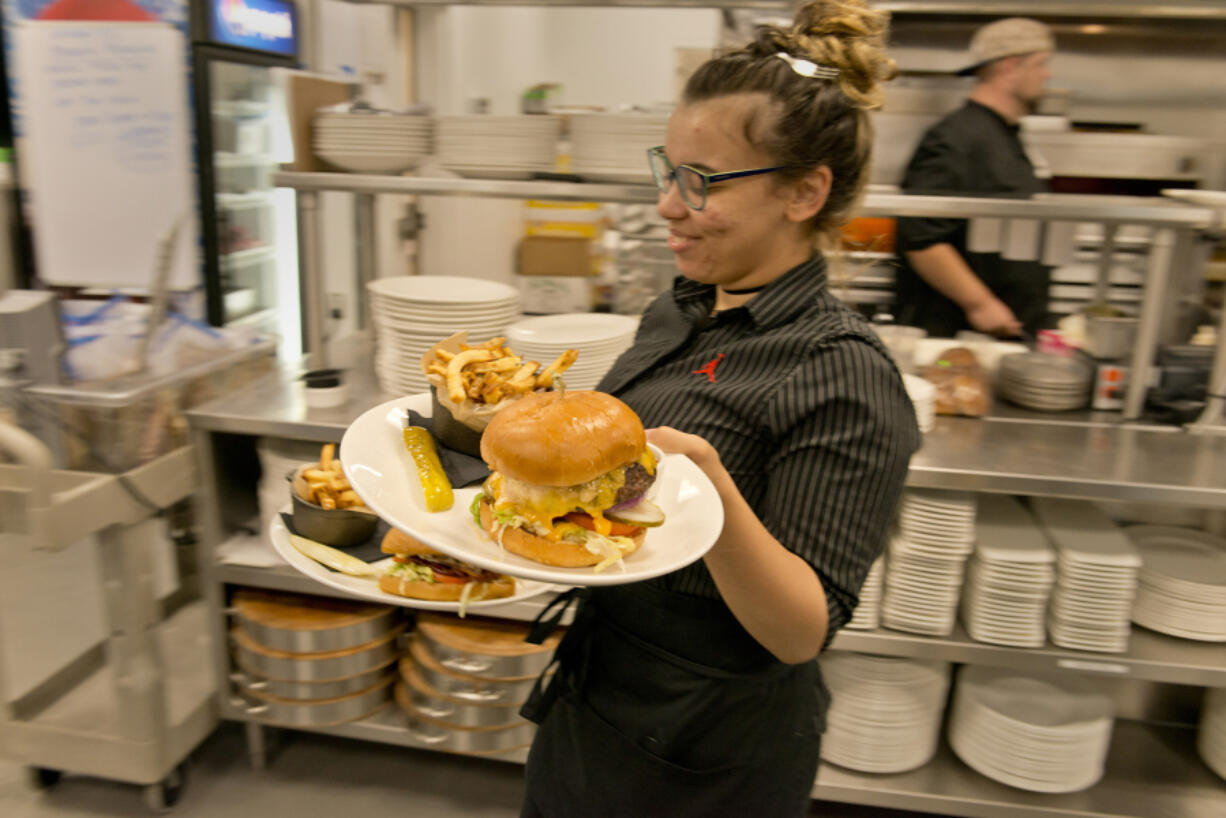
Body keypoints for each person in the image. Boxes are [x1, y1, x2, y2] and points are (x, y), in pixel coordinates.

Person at [518, 3, 919, 816]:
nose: (669, 204)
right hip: (596, 695)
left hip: (710, 748)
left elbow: (802, 629)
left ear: (805, 191)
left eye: (701, 182)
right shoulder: (682, 309)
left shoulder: (841, 372)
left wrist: (712, 486)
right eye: (668, 170)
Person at [894, 17, 1056, 338]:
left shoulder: (1003, 135)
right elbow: (921, 236)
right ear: (1010, 67)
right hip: (953, 334)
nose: (1047, 75)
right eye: (1041, 64)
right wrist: (980, 304)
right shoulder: (956, 138)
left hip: (1003, 330)